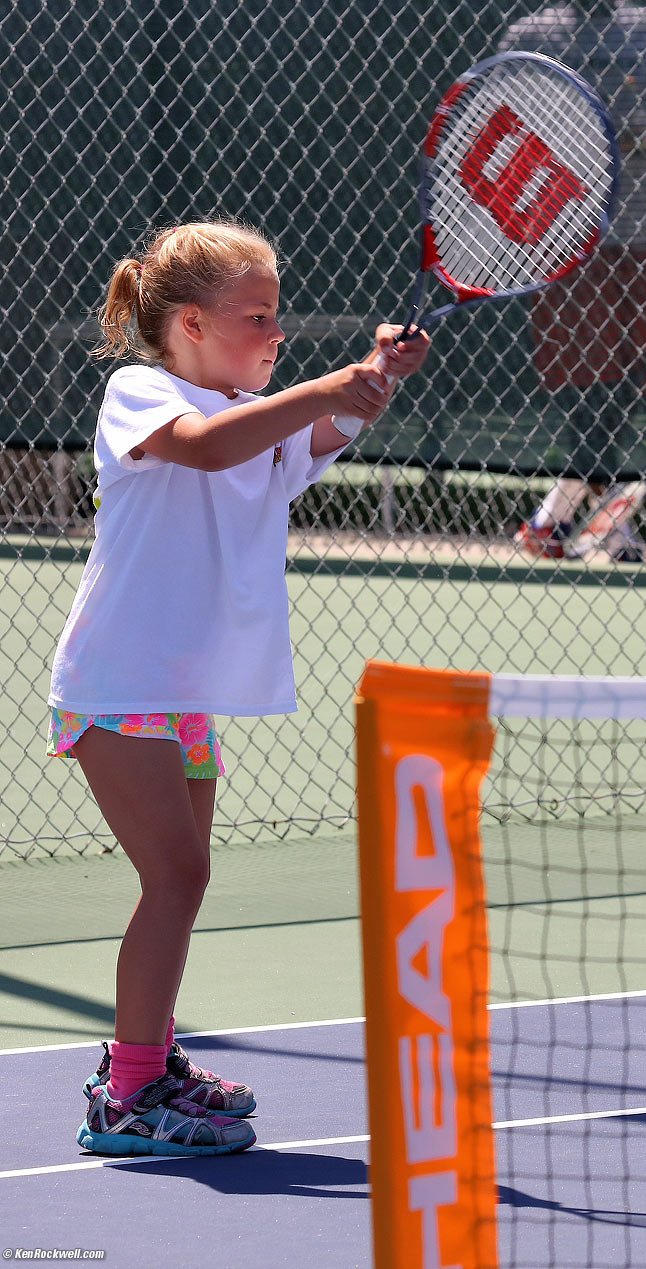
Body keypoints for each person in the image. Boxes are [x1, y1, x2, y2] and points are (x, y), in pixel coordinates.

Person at [47, 220, 430, 1157]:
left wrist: (371, 379)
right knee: (174, 875)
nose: (276, 333)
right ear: (188, 326)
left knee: (185, 880)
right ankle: (128, 1096)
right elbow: (210, 448)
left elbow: (321, 430)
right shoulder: (141, 393)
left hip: (183, 695)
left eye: (277, 315)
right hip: (115, 684)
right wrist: (321, 390)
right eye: (256, 317)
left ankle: (149, 1057)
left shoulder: (258, 414)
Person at [507, 1, 646, 563]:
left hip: (638, 231)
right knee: (585, 379)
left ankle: (553, 519)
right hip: (559, 230)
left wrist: (614, 129)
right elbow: (518, 129)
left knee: (627, 378)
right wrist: (602, 129)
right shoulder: (529, 34)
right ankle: (598, 525)